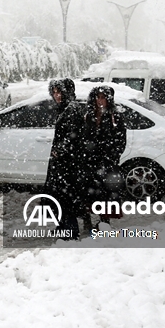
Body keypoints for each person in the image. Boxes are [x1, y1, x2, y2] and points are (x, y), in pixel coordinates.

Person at [78, 85, 128, 229]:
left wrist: (112, 156)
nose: (100, 101)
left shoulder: (115, 116)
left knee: (106, 194)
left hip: (106, 163)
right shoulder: (88, 115)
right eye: (97, 97)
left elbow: (120, 140)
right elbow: (83, 136)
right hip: (89, 162)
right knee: (87, 192)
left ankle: (104, 222)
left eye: (103, 98)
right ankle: (87, 220)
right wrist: (85, 153)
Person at [44, 78, 86, 238]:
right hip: (63, 163)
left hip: (68, 163)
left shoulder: (72, 109)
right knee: (60, 196)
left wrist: (60, 150)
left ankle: (70, 231)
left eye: (59, 92)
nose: (56, 95)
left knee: (66, 197)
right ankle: (63, 226)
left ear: (67, 92)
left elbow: (74, 135)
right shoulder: (64, 108)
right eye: (54, 92)